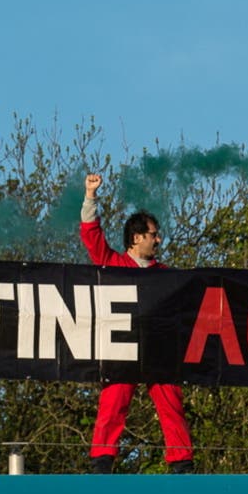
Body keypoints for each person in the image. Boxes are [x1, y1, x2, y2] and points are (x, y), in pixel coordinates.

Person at [80, 172, 194, 474]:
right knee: (113, 401)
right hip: (122, 347)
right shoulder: (114, 264)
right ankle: (102, 461)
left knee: (171, 401)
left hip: (157, 348)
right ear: (136, 238)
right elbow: (92, 237)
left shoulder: (166, 274)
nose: (158, 239)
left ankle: (181, 462)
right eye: (153, 234)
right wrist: (90, 196)